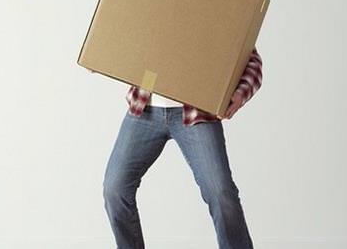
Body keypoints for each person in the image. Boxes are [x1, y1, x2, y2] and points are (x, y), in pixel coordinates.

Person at [102, 48, 263, 249]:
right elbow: (120, 37)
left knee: (221, 193)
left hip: (196, 109)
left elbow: (251, 58)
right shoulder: (149, 14)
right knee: (114, 189)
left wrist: (241, 93)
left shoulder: (217, 15)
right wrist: (101, 55)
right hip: (145, 106)